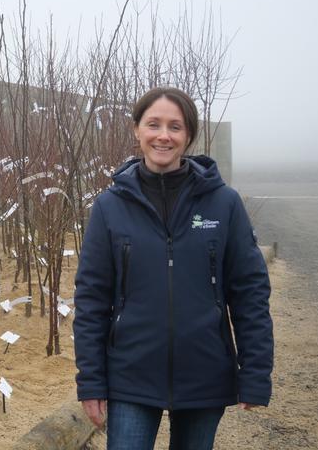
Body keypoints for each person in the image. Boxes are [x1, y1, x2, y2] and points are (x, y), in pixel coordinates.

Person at [73, 87, 273, 450]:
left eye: (175, 127)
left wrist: (256, 373)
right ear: (137, 130)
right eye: (154, 124)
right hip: (130, 375)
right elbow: (91, 299)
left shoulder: (223, 204)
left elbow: (250, 292)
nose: (163, 135)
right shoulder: (109, 208)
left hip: (205, 373)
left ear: (188, 136)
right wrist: (91, 381)